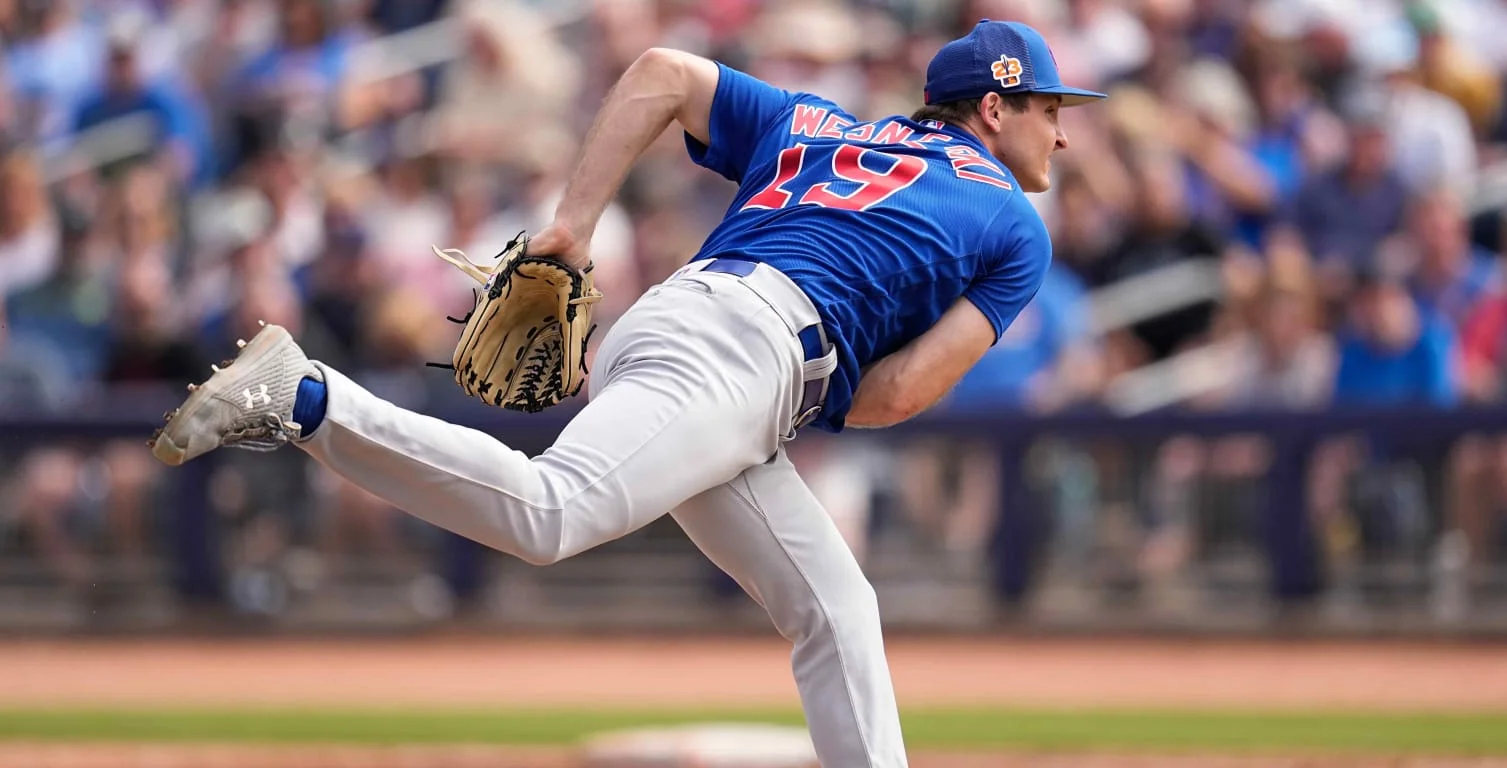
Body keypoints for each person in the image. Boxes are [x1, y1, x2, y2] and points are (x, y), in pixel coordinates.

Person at [149, 20, 1104, 766]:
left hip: (679, 314)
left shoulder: (823, 123)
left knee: (837, 608)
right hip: (748, 357)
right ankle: (308, 398)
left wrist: (572, 226)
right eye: (1050, 108)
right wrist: (807, 387)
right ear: (994, 108)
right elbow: (898, 394)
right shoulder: (1014, 224)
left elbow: (662, 71)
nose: (1063, 132)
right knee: (550, 514)